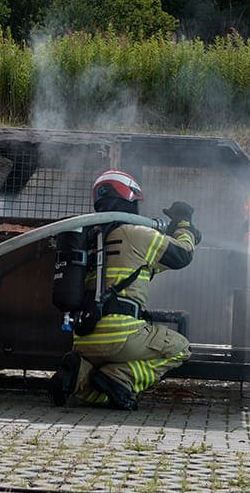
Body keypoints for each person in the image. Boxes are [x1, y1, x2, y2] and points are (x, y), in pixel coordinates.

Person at [49, 169, 200, 410]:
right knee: (180, 349)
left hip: (83, 338)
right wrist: (184, 225)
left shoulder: (89, 238)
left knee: (107, 393)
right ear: (130, 199)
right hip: (121, 336)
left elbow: (144, 266)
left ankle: (80, 375)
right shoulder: (138, 234)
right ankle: (121, 377)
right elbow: (182, 254)